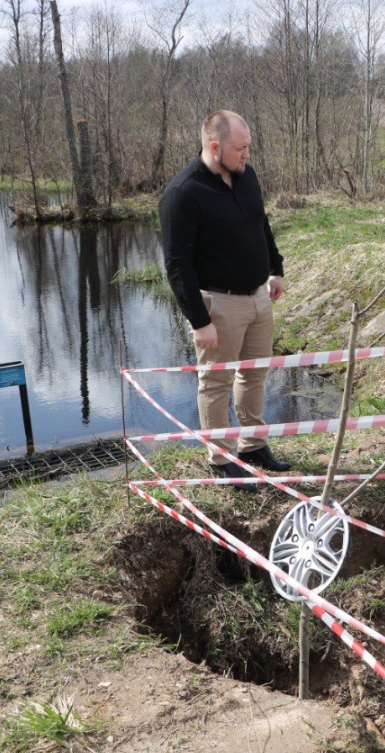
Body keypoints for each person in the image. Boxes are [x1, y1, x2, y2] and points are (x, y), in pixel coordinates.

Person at [159, 110, 291, 493]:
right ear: (214, 146)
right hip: (217, 303)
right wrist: (200, 321)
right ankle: (222, 460)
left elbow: (260, 223)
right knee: (216, 382)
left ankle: (253, 447)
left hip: (257, 297)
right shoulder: (182, 194)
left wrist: (275, 268)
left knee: (255, 374)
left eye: (248, 147)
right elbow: (177, 265)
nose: (247, 155)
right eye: (240, 148)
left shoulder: (246, 177)